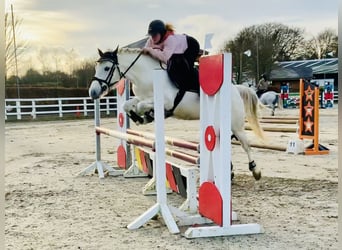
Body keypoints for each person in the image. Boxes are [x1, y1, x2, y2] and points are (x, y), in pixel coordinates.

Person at [142, 19, 200, 93]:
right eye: (151, 35)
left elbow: (165, 58)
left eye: (155, 35)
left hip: (191, 46)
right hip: (178, 49)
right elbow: (145, 50)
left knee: (186, 66)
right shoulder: (151, 40)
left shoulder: (170, 40)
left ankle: (197, 87)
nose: (153, 38)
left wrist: (151, 50)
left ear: (161, 33)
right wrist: (148, 50)